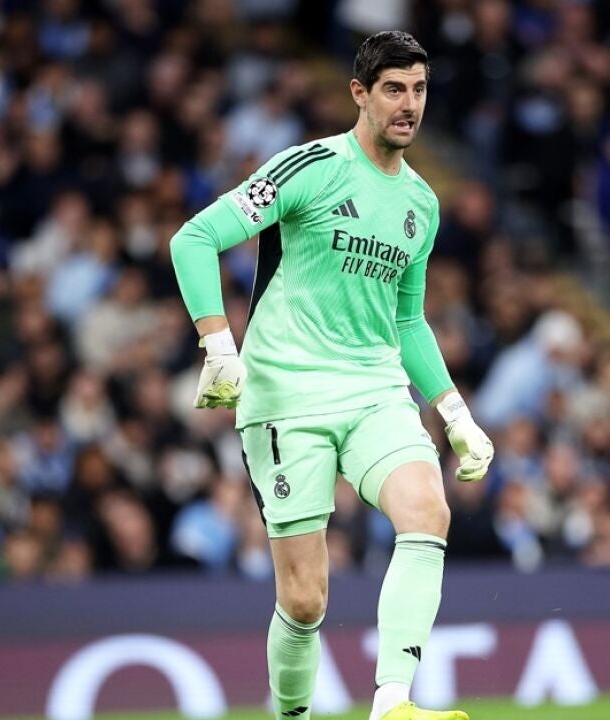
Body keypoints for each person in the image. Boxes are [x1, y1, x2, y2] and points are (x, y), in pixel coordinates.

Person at [169, 31, 494, 720]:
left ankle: (392, 704)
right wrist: (218, 344)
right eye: (394, 89)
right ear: (359, 93)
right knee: (304, 599)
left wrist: (455, 411)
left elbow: (407, 321)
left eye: (419, 90)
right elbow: (194, 239)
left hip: (375, 389)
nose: (409, 105)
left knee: (428, 511)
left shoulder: (422, 203)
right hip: (287, 395)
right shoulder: (310, 168)